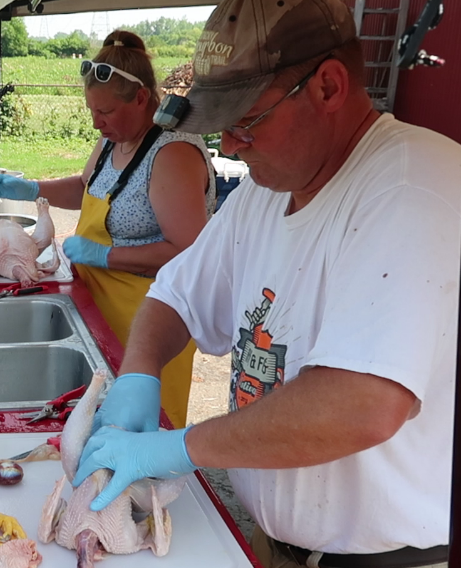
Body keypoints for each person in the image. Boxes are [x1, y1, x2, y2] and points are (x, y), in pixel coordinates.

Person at [73, 1, 460, 567]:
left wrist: (183, 446)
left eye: (246, 122)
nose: (229, 147)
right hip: (275, 544)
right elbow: (176, 294)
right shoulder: (265, 190)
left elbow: (362, 404)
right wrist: (139, 374)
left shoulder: (411, 189)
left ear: (328, 87)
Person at [0, 30, 217, 429]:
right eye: (92, 110)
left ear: (141, 98)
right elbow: (87, 187)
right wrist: (32, 190)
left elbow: (187, 250)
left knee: (142, 429)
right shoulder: (114, 140)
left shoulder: (173, 153)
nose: (97, 122)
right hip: (98, 307)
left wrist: (107, 256)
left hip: (151, 321)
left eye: (106, 111)